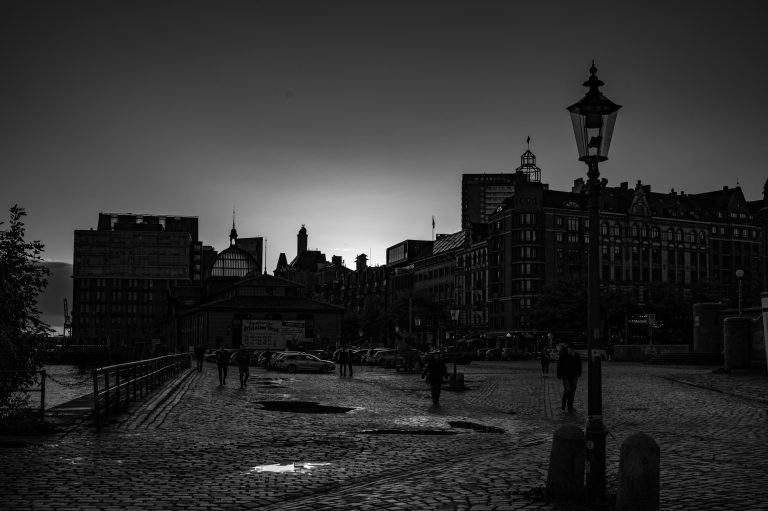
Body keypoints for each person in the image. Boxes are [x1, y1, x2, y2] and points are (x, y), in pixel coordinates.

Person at [556, 343, 582, 412]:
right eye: (570, 349)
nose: (571, 350)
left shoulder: (576, 356)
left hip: (574, 376)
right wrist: (559, 374)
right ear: (568, 349)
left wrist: (578, 374)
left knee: (572, 392)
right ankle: (563, 406)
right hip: (566, 376)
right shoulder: (563, 355)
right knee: (568, 390)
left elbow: (579, 365)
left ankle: (570, 407)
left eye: (572, 349)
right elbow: (560, 365)